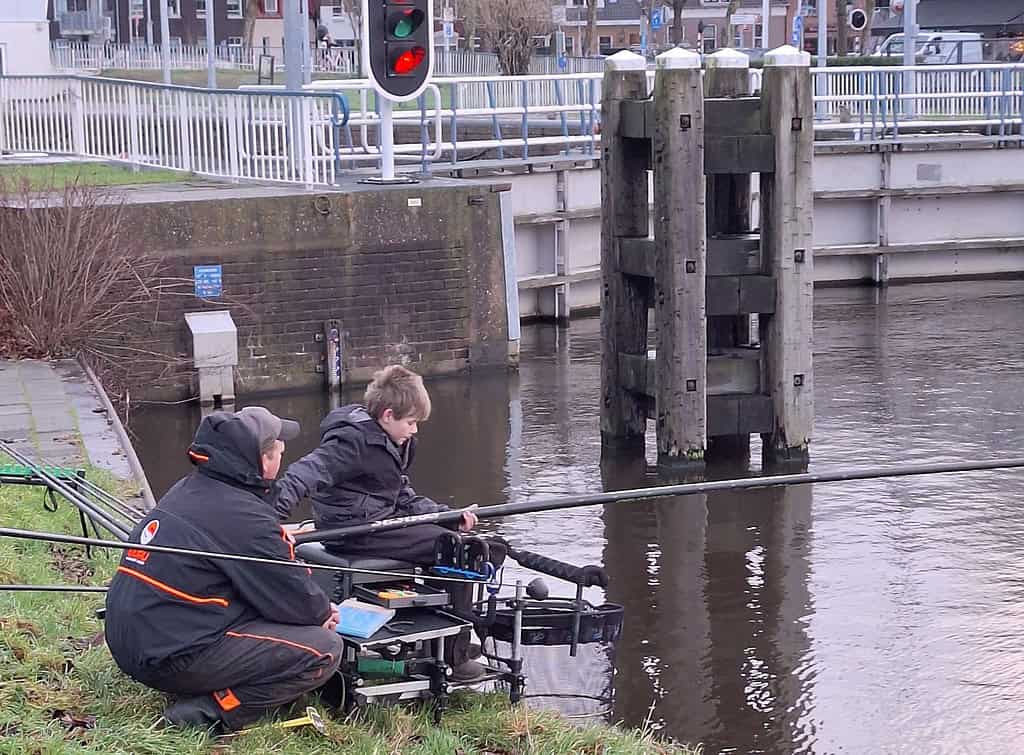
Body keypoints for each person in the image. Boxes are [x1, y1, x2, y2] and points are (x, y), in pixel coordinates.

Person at [103, 407, 344, 733]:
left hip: (129, 640)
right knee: (325, 649)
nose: (284, 451)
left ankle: (206, 686)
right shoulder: (245, 517)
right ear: (261, 460)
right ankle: (209, 712)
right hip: (170, 657)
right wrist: (321, 612)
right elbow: (299, 603)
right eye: (277, 447)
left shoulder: (188, 488)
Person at [270, 365, 499, 681]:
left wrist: (448, 516)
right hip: (354, 532)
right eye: (411, 422)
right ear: (388, 415)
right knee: (453, 549)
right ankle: (455, 659)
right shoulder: (352, 442)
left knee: (455, 540)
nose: (415, 430)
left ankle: (448, 642)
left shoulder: (396, 442)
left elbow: (402, 496)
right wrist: (270, 517)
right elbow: (306, 473)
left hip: (381, 521)